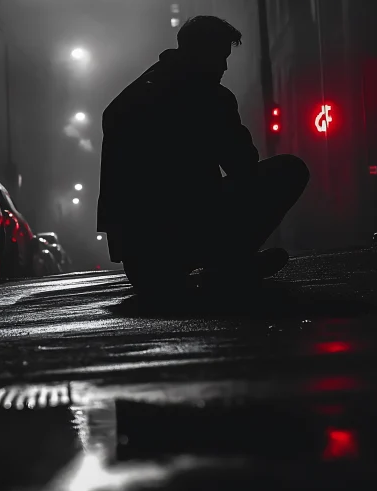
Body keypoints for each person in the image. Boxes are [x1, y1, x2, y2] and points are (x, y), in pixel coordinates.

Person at [97, 15, 309, 295]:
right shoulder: (208, 96)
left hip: (141, 263)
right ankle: (230, 262)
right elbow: (242, 166)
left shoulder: (127, 98)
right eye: (220, 56)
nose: (224, 66)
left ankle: (221, 261)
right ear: (199, 53)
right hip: (187, 236)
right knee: (290, 169)